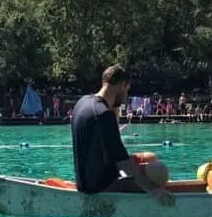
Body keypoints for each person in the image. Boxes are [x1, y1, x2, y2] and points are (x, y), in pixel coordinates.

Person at [71, 65, 174, 205]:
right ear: (122, 85)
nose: (126, 96)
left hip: (85, 181)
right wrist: (153, 191)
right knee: (159, 171)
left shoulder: (82, 102)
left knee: (151, 157)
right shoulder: (103, 114)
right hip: (101, 187)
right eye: (127, 90)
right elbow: (123, 163)